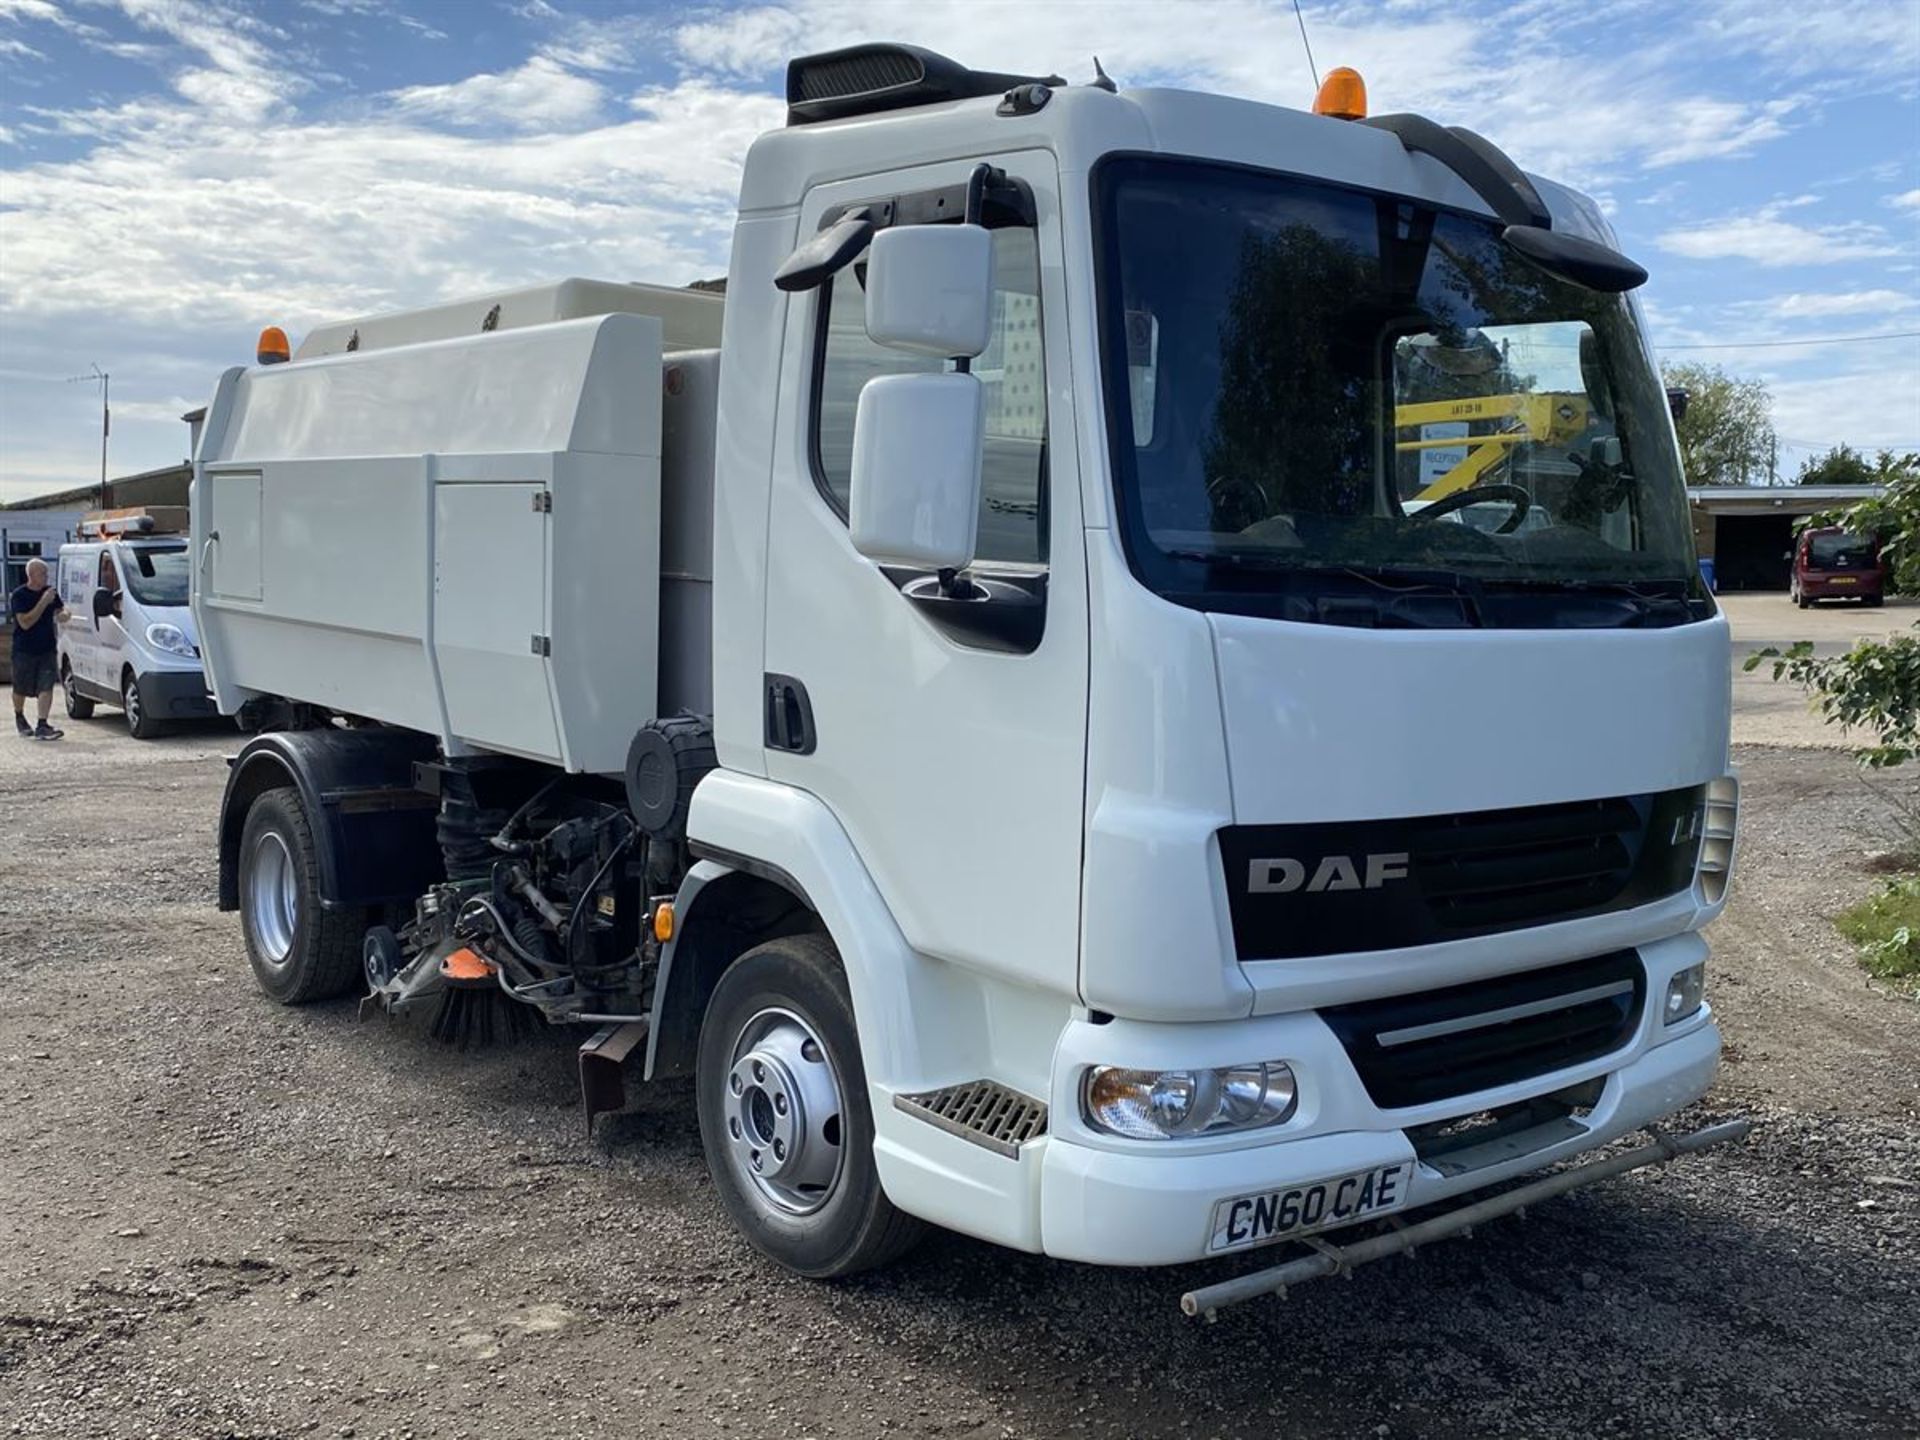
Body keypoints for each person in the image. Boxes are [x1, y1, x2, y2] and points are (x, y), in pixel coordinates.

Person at [9, 558, 66, 740]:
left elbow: (60, 610)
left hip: (47, 647)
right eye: (42, 573)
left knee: (46, 685)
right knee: (20, 687)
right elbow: (25, 622)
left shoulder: (50, 593)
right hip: (24, 649)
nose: (46, 577)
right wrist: (43, 602)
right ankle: (19, 716)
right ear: (31, 575)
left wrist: (65, 614)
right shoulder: (19, 595)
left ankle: (42, 724)